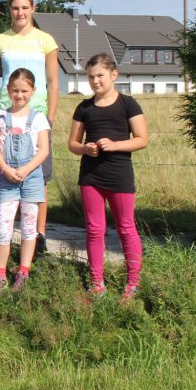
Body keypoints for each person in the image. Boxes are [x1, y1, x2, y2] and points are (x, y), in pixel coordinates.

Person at [67, 53, 148, 300]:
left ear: (114, 75)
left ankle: (133, 281)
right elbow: (72, 143)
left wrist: (115, 145)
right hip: (91, 175)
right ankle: (96, 282)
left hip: (119, 174)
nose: (95, 81)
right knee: (94, 229)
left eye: (100, 75)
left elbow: (142, 139)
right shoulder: (84, 107)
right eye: (91, 77)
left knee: (125, 227)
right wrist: (85, 149)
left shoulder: (128, 104)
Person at [0, 0, 59, 255]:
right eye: (15, 8)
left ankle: (39, 233)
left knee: (39, 179)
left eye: (25, 8)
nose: (20, 13)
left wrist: (49, 116)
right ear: (10, 10)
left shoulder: (45, 40)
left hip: (36, 117)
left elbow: (52, 81)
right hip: (7, 116)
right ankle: (7, 231)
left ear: (33, 9)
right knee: (7, 176)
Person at [0, 68, 50, 299]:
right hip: (7, 178)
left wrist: (24, 169)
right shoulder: (0, 117)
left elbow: (43, 151)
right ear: (8, 91)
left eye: (24, 90)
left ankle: (23, 272)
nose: (19, 95)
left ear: (33, 91)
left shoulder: (38, 118)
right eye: (15, 90)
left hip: (31, 178)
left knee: (29, 228)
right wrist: (7, 169)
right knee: (3, 228)